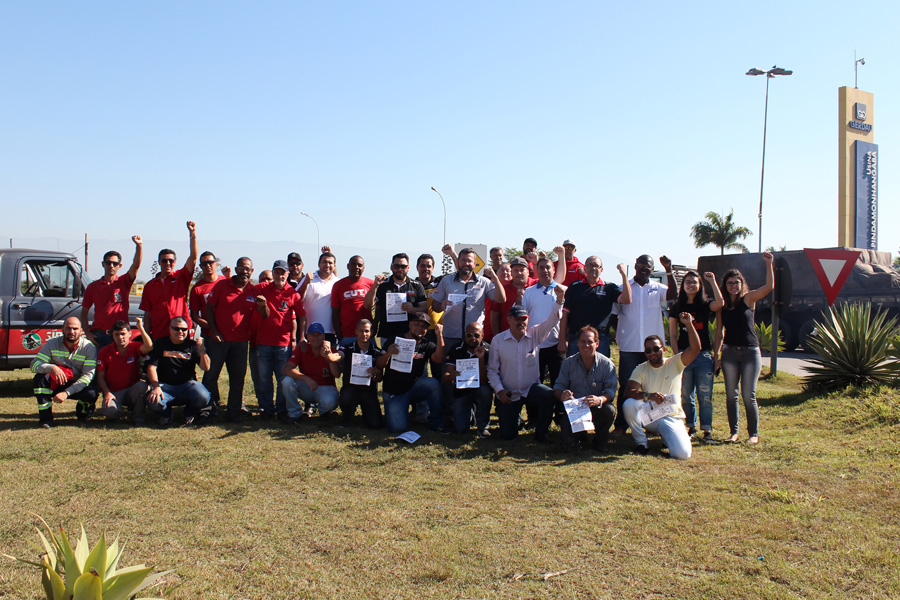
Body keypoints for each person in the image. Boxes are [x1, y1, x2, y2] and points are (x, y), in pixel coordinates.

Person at [487, 287, 565, 442]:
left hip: (531, 389)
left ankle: (541, 433)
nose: (521, 322)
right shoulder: (498, 340)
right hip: (508, 393)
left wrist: (559, 301)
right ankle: (515, 419)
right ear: (509, 320)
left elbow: (553, 319)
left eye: (524, 319)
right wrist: (500, 391)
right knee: (508, 436)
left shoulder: (535, 334)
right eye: (517, 319)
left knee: (548, 395)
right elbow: (492, 371)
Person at [712, 252, 774, 444]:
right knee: (731, 395)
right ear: (725, 285)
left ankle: (753, 434)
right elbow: (719, 332)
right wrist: (716, 356)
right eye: (730, 283)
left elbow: (769, 287)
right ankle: (734, 433)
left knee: (749, 395)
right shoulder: (722, 306)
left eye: (737, 283)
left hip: (750, 352)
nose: (734, 286)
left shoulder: (748, 299)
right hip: (729, 352)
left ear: (742, 284)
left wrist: (768, 264)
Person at [622, 312, 703, 459]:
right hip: (650, 415)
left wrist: (689, 325)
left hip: (671, 416)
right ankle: (641, 443)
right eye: (648, 350)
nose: (652, 353)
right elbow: (628, 392)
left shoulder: (675, 362)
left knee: (682, 454)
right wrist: (648, 395)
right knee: (629, 404)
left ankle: (667, 438)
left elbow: (695, 348)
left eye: (655, 349)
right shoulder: (641, 368)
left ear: (663, 349)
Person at [611, 254, 668, 433]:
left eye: (648, 266)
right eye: (641, 265)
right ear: (635, 266)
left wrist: (669, 269)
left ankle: (652, 424)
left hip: (652, 350)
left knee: (654, 388)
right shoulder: (623, 288)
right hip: (629, 346)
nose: (644, 269)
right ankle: (621, 425)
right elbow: (614, 315)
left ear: (652, 269)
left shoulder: (659, 288)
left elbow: (675, 295)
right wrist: (622, 331)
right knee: (627, 386)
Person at [667, 269, 724, 442]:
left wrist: (712, 281)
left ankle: (707, 430)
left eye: (694, 282)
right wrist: (677, 357)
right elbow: (673, 335)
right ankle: (690, 427)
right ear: (683, 286)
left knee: (705, 395)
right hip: (684, 357)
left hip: (704, 356)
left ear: (700, 286)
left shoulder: (705, 305)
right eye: (688, 282)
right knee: (686, 395)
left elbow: (720, 303)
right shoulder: (677, 308)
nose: (691, 285)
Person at [203, 257, 257, 422]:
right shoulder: (221, 286)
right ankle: (208, 410)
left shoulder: (253, 291)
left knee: (238, 378)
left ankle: (233, 413)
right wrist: (213, 331)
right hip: (220, 340)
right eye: (241, 268)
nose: (244, 272)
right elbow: (208, 308)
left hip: (240, 342)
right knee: (211, 375)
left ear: (252, 271)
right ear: (236, 269)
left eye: (247, 269)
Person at [553, 326, 618, 452]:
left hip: (596, 408)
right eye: (583, 341)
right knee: (567, 447)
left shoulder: (607, 365)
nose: (586, 345)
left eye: (590, 342)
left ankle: (600, 441)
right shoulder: (568, 363)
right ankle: (579, 435)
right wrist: (562, 395)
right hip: (576, 410)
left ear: (597, 344)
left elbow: (611, 391)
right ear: (577, 343)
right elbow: (557, 388)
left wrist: (599, 399)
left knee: (609, 410)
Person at [379, 314, 447, 433]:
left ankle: (437, 423)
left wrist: (439, 335)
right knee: (397, 428)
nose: (420, 328)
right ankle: (404, 411)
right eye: (416, 324)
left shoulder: (427, 344)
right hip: (394, 391)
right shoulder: (394, 339)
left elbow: (439, 359)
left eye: (424, 326)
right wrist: (387, 354)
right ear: (410, 324)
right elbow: (379, 365)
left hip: (415, 387)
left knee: (433, 384)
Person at [254, 261, 304, 420]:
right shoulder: (262, 289)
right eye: (277, 272)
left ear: (287, 274)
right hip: (263, 343)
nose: (280, 276)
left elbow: (302, 316)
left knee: (283, 379)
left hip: (283, 344)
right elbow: (244, 288)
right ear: (273, 274)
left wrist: (300, 337)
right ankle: (267, 409)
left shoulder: (292, 293)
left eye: (283, 273)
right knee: (264, 378)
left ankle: (282, 410)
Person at [31, 316, 98, 427]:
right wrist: (52, 368)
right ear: (62, 329)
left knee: (92, 393)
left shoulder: (89, 348)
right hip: (58, 382)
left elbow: (87, 376)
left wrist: (66, 393)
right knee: (39, 379)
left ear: (81, 331)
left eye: (75, 329)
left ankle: (83, 413)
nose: (71, 332)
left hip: (78, 385)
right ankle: (45, 419)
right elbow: (34, 365)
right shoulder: (52, 343)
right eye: (68, 328)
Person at [432, 248, 505, 350]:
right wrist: (442, 305)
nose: (466, 263)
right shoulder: (446, 280)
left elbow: (501, 299)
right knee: (449, 365)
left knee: (474, 365)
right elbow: (435, 306)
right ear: (458, 262)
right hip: (451, 337)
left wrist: (495, 278)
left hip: (474, 338)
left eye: (469, 261)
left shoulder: (483, 282)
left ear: (475, 263)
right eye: (463, 260)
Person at [145, 316, 212, 427]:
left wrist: (202, 350)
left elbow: (206, 368)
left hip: (187, 386)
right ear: (170, 329)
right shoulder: (160, 343)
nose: (180, 332)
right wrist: (156, 387)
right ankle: (166, 414)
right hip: (164, 387)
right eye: (176, 329)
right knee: (153, 402)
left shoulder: (193, 346)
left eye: (184, 329)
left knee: (204, 396)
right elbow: (151, 367)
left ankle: (188, 413)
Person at [558, 257, 629, 358]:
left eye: (596, 266)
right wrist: (562, 340)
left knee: (601, 371)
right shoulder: (574, 287)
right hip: (576, 338)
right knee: (574, 371)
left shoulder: (609, 288)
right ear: (585, 268)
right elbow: (565, 314)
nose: (593, 268)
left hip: (601, 339)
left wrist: (624, 275)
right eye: (590, 265)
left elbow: (627, 300)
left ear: (601, 270)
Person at [81, 235, 142, 349]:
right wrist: (87, 333)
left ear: (120, 266)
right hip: (99, 336)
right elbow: (84, 312)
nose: (111, 266)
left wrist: (139, 246)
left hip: (120, 336)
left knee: (120, 366)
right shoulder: (93, 287)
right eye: (108, 263)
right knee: (100, 366)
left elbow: (136, 265)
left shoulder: (124, 282)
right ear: (103, 264)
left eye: (115, 263)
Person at [140, 221, 199, 341]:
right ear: (159, 262)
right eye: (164, 260)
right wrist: (146, 335)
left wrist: (192, 233)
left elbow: (193, 257)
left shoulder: (181, 277)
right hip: (159, 333)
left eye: (171, 261)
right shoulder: (150, 286)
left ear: (175, 262)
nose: (168, 263)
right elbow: (147, 314)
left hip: (181, 332)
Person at [96, 318, 153, 426]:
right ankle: (116, 413)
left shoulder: (134, 346)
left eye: (123, 334)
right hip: (113, 393)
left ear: (129, 334)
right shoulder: (104, 351)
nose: (120, 337)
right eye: (117, 334)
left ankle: (138, 417)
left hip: (132, 390)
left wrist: (141, 328)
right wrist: (107, 393)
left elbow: (149, 347)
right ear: (112, 335)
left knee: (142, 385)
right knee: (110, 413)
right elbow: (100, 377)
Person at [521, 256, 567, 386]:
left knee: (559, 384)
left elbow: (567, 318)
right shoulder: (528, 292)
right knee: (535, 384)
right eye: (541, 267)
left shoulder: (563, 291)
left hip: (557, 345)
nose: (545, 270)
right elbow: (522, 317)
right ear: (537, 269)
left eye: (548, 267)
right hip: (534, 346)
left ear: (553, 270)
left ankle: (558, 407)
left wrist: (564, 339)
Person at [282, 322, 342, 420]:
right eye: (312, 335)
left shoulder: (331, 350)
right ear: (308, 336)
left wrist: (329, 357)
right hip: (307, 386)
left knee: (330, 402)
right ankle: (295, 413)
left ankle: (324, 412)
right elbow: (288, 369)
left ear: (323, 336)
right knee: (287, 381)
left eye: (318, 335)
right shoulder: (302, 349)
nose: (315, 338)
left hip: (325, 387)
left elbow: (337, 374)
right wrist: (306, 378)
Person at [365, 252, 427, 347]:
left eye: (403, 266)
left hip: (409, 334)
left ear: (408, 267)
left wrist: (413, 310)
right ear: (391, 267)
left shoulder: (417, 285)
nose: (400, 269)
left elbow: (425, 308)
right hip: (387, 334)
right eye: (396, 266)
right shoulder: (382, 285)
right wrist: (375, 286)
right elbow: (368, 305)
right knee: (387, 360)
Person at [444, 322, 492, 436]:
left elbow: (484, 381)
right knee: (461, 429)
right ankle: (470, 414)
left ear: (482, 336)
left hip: (480, 388)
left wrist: (480, 359)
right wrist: (451, 376)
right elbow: (446, 376)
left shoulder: (489, 350)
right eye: (469, 335)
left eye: (476, 335)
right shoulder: (456, 349)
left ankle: (483, 426)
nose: (472, 338)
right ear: (464, 335)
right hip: (461, 391)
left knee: (485, 391)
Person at [337, 319, 385, 428]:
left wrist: (375, 374)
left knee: (375, 425)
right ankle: (347, 415)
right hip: (351, 388)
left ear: (371, 332)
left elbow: (379, 378)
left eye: (367, 331)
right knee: (346, 397)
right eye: (361, 331)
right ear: (356, 332)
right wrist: (330, 356)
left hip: (368, 390)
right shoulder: (348, 348)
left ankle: (367, 414)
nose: (364, 334)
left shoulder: (377, 351)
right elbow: (339, 355)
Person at [331, 255, 374, 347]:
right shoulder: (338, 285)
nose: (356, 267)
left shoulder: (371, 284)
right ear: (348, 266)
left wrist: (374, 330)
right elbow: (335, 312)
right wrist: (340, 336)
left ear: (364, 268)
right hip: (347, 336)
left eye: (359, 265)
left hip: (367, 335)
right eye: (353, 264)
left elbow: (378, 308)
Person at [300, 250, 339, 345]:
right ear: (319, 264)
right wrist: (305, 283)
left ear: (334, 266)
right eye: (324, 262)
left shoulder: (338, 283)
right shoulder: (309, 279)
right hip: (311, 332)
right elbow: (298, 300)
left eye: (330, 263)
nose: (327, 265)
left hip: (331, 333)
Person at [189, 251, 224, 340]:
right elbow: (195, 316)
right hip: (209, 335)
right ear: (201, 266)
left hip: (229, 334)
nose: (208, 265)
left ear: (215, 264)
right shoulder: (197, 289)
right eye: (204, 264)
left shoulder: (225, 282)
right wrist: (213, 328)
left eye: (210, 262)